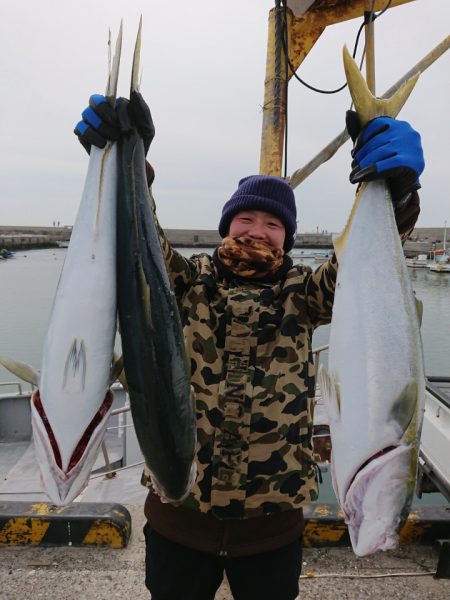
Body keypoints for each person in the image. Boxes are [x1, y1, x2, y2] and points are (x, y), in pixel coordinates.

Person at [75, 93, 424, 600]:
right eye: (246, 220)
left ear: (287, 237)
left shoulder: (304, 294)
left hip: (272, 529)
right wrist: (132, 161)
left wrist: (397, 196)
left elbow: (368, 273)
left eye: (273, 224)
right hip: (179, 521)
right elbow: (138, 239)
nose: (258, 231)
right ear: (226, 225)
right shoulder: (186, 281)